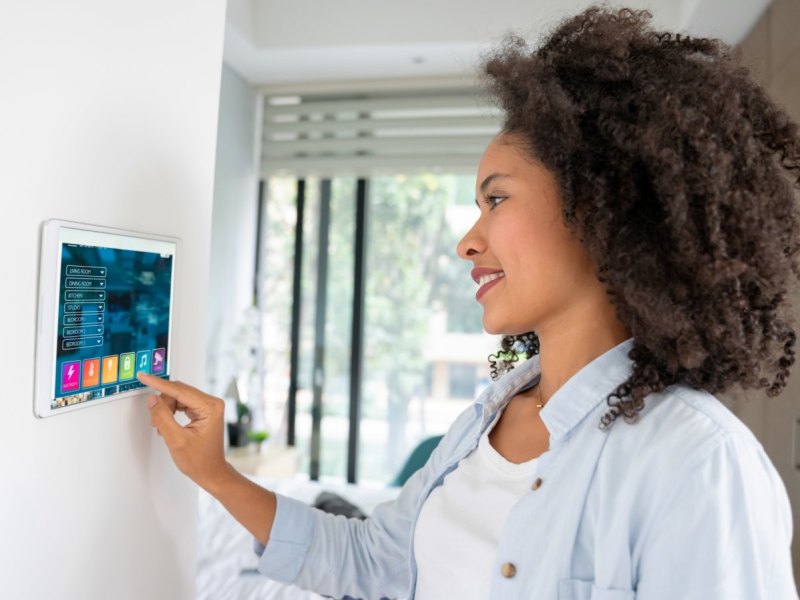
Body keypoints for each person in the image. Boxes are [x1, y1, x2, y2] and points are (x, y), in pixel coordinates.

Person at [139, 6, 799, 599]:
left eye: (497, 199)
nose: (467, 240)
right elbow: (371, 560)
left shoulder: (697, 463)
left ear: (598, 208)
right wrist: (218, 474)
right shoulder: (483, 422)